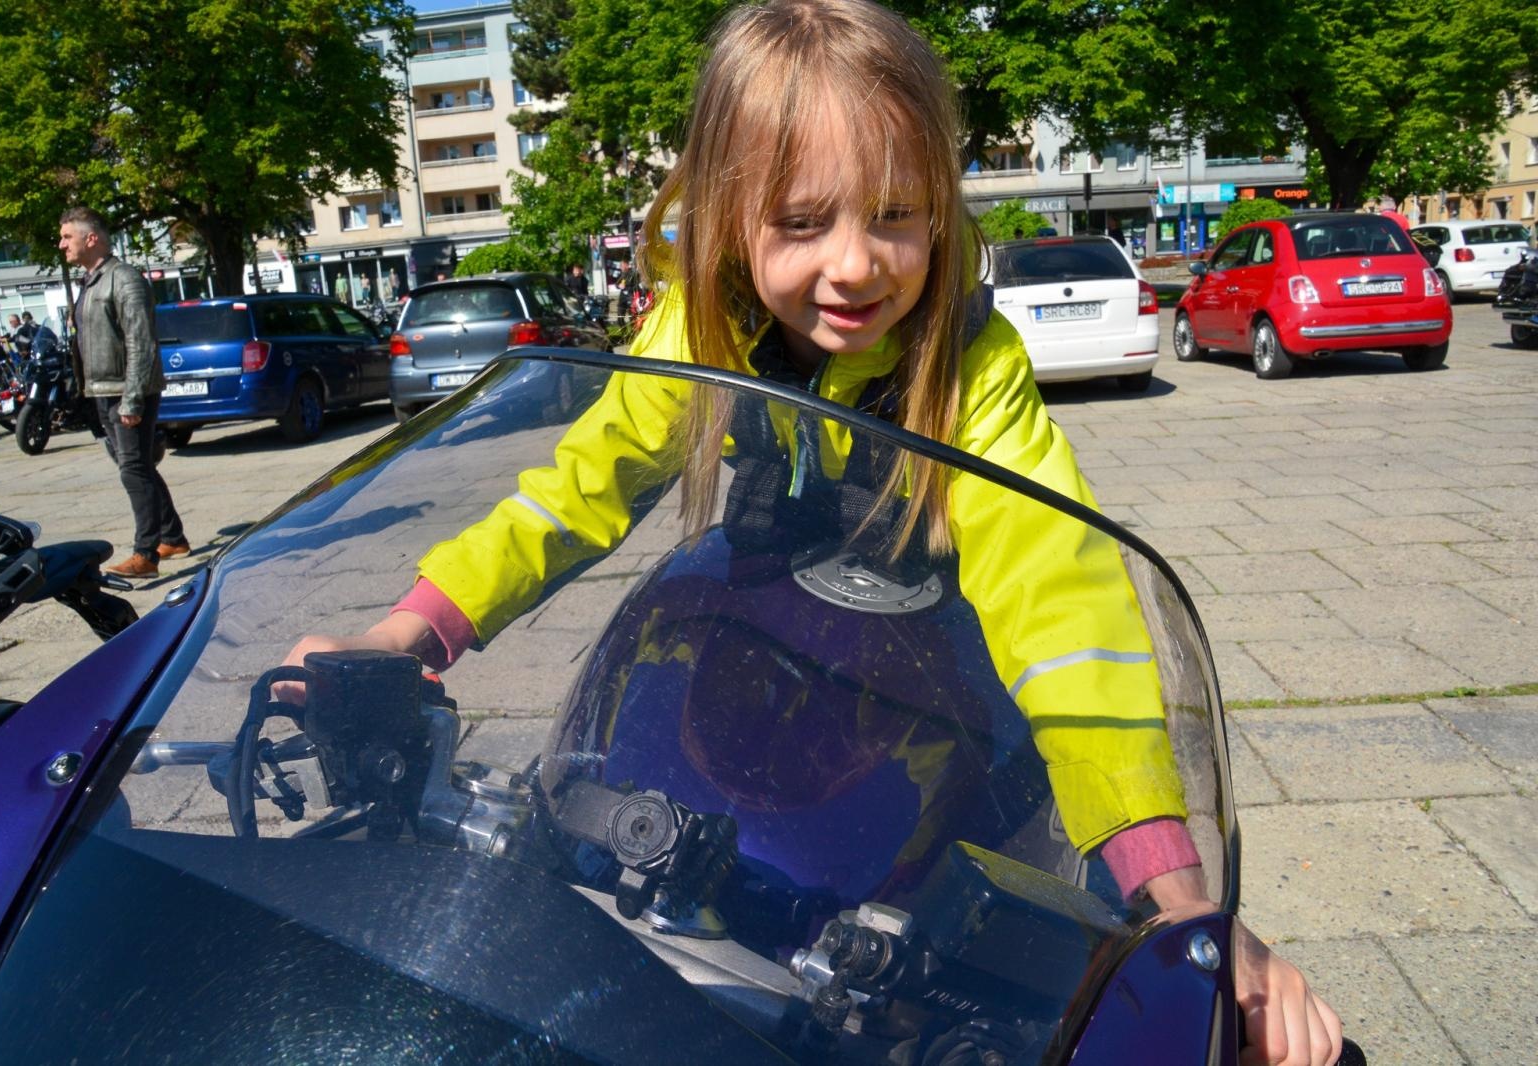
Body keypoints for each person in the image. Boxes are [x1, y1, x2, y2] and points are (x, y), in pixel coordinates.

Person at [280, 4, 1341, 1062]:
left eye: (896, 214)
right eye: (801, 223)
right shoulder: (698, 328)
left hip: (926, 700)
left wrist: (1178, 899)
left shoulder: (969, 360)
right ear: (732, 216)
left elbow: (1062, 605)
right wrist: (409, 634)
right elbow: (574, 494)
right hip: (733, 677)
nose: (856, 267)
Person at [57, 205, 188, 579]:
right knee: (139, 467)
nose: (61, 243)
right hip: (102, 390)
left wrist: (132, 399)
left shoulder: (124, 278)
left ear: (91, 238)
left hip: (128, 391)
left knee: (133, 470)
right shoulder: (91, 281)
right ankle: (173, 537)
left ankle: (145, 554)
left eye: (68, 236)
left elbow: (141, 343)